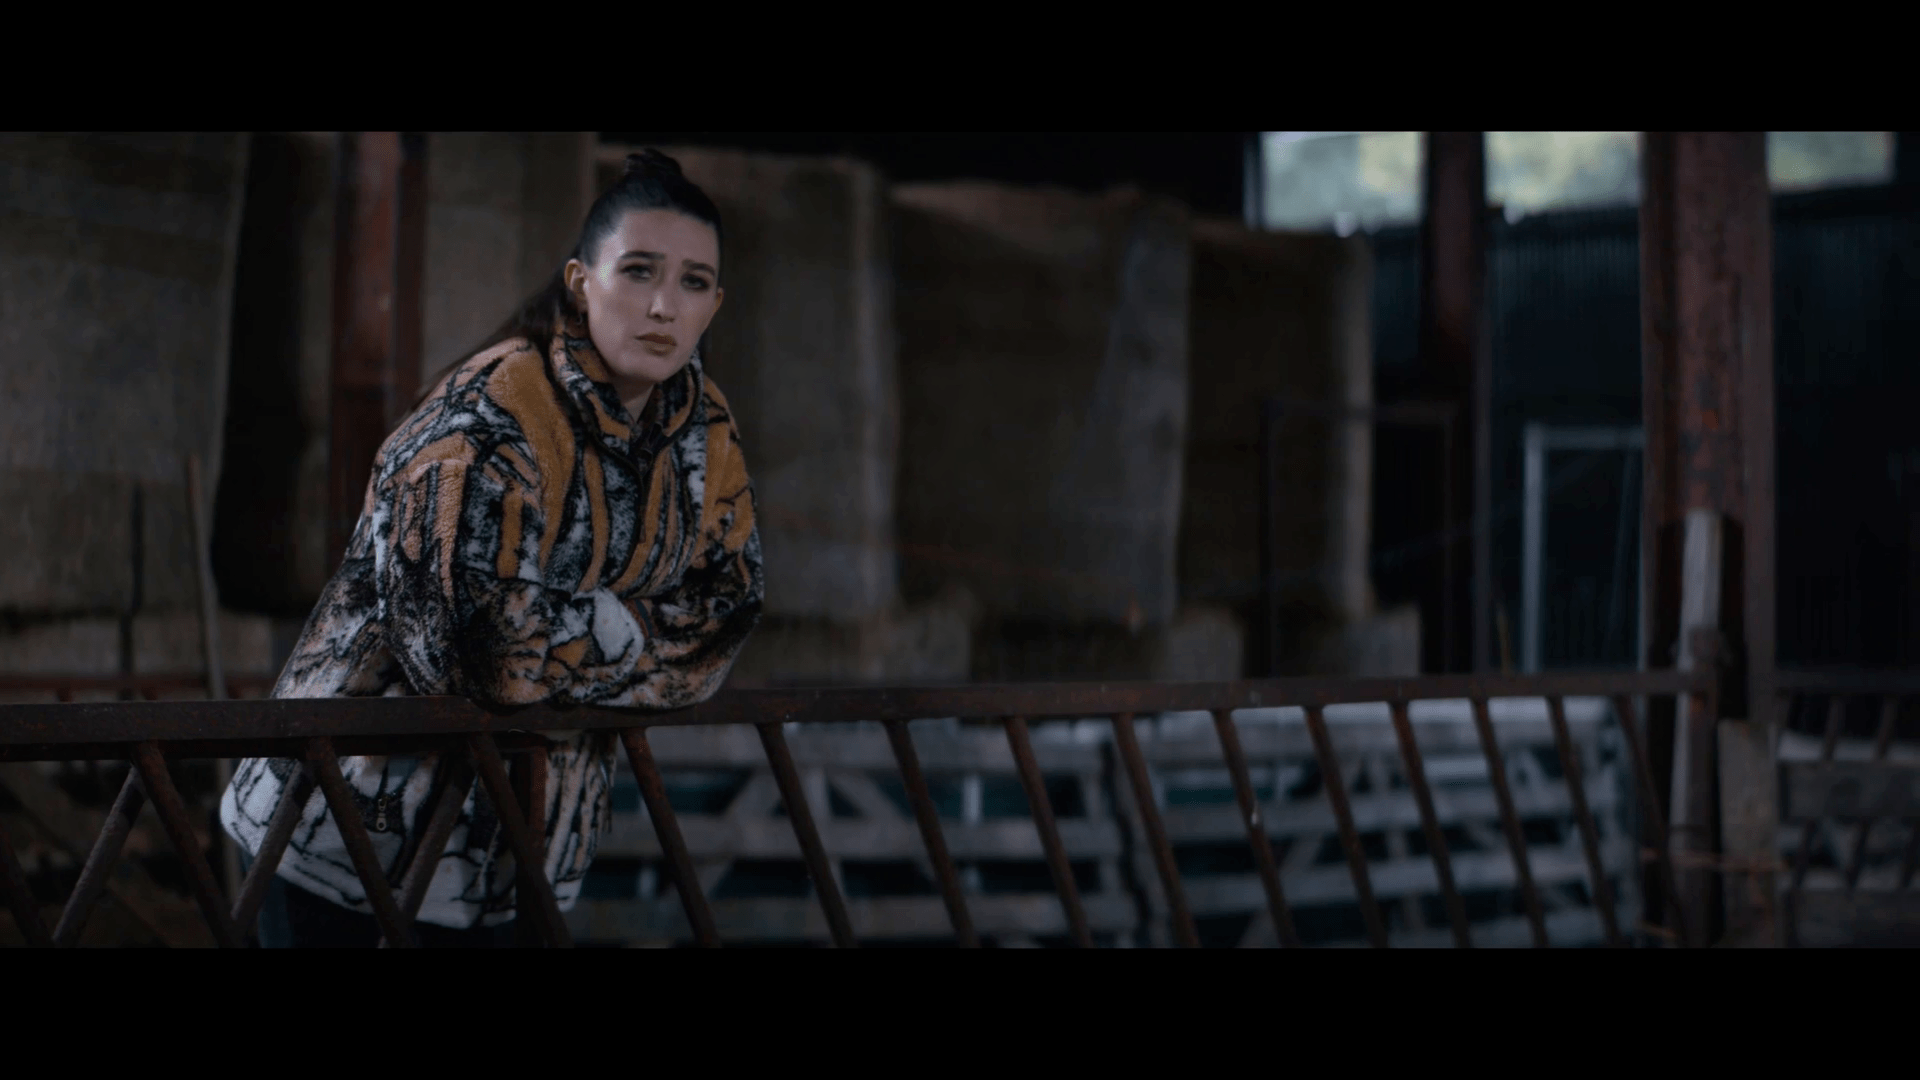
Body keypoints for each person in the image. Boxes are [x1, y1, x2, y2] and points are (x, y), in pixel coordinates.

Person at [220, 149, 764, 947]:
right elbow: (478, 653)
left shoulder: (702, 430)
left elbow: (727, 614)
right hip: (344, 843)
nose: (662, 306)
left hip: (519, 856)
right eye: (638, 271)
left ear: (714, 305)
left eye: (692, 282)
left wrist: (559, 640)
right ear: (581, 282)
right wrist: (628, 640)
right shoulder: (489, 413)